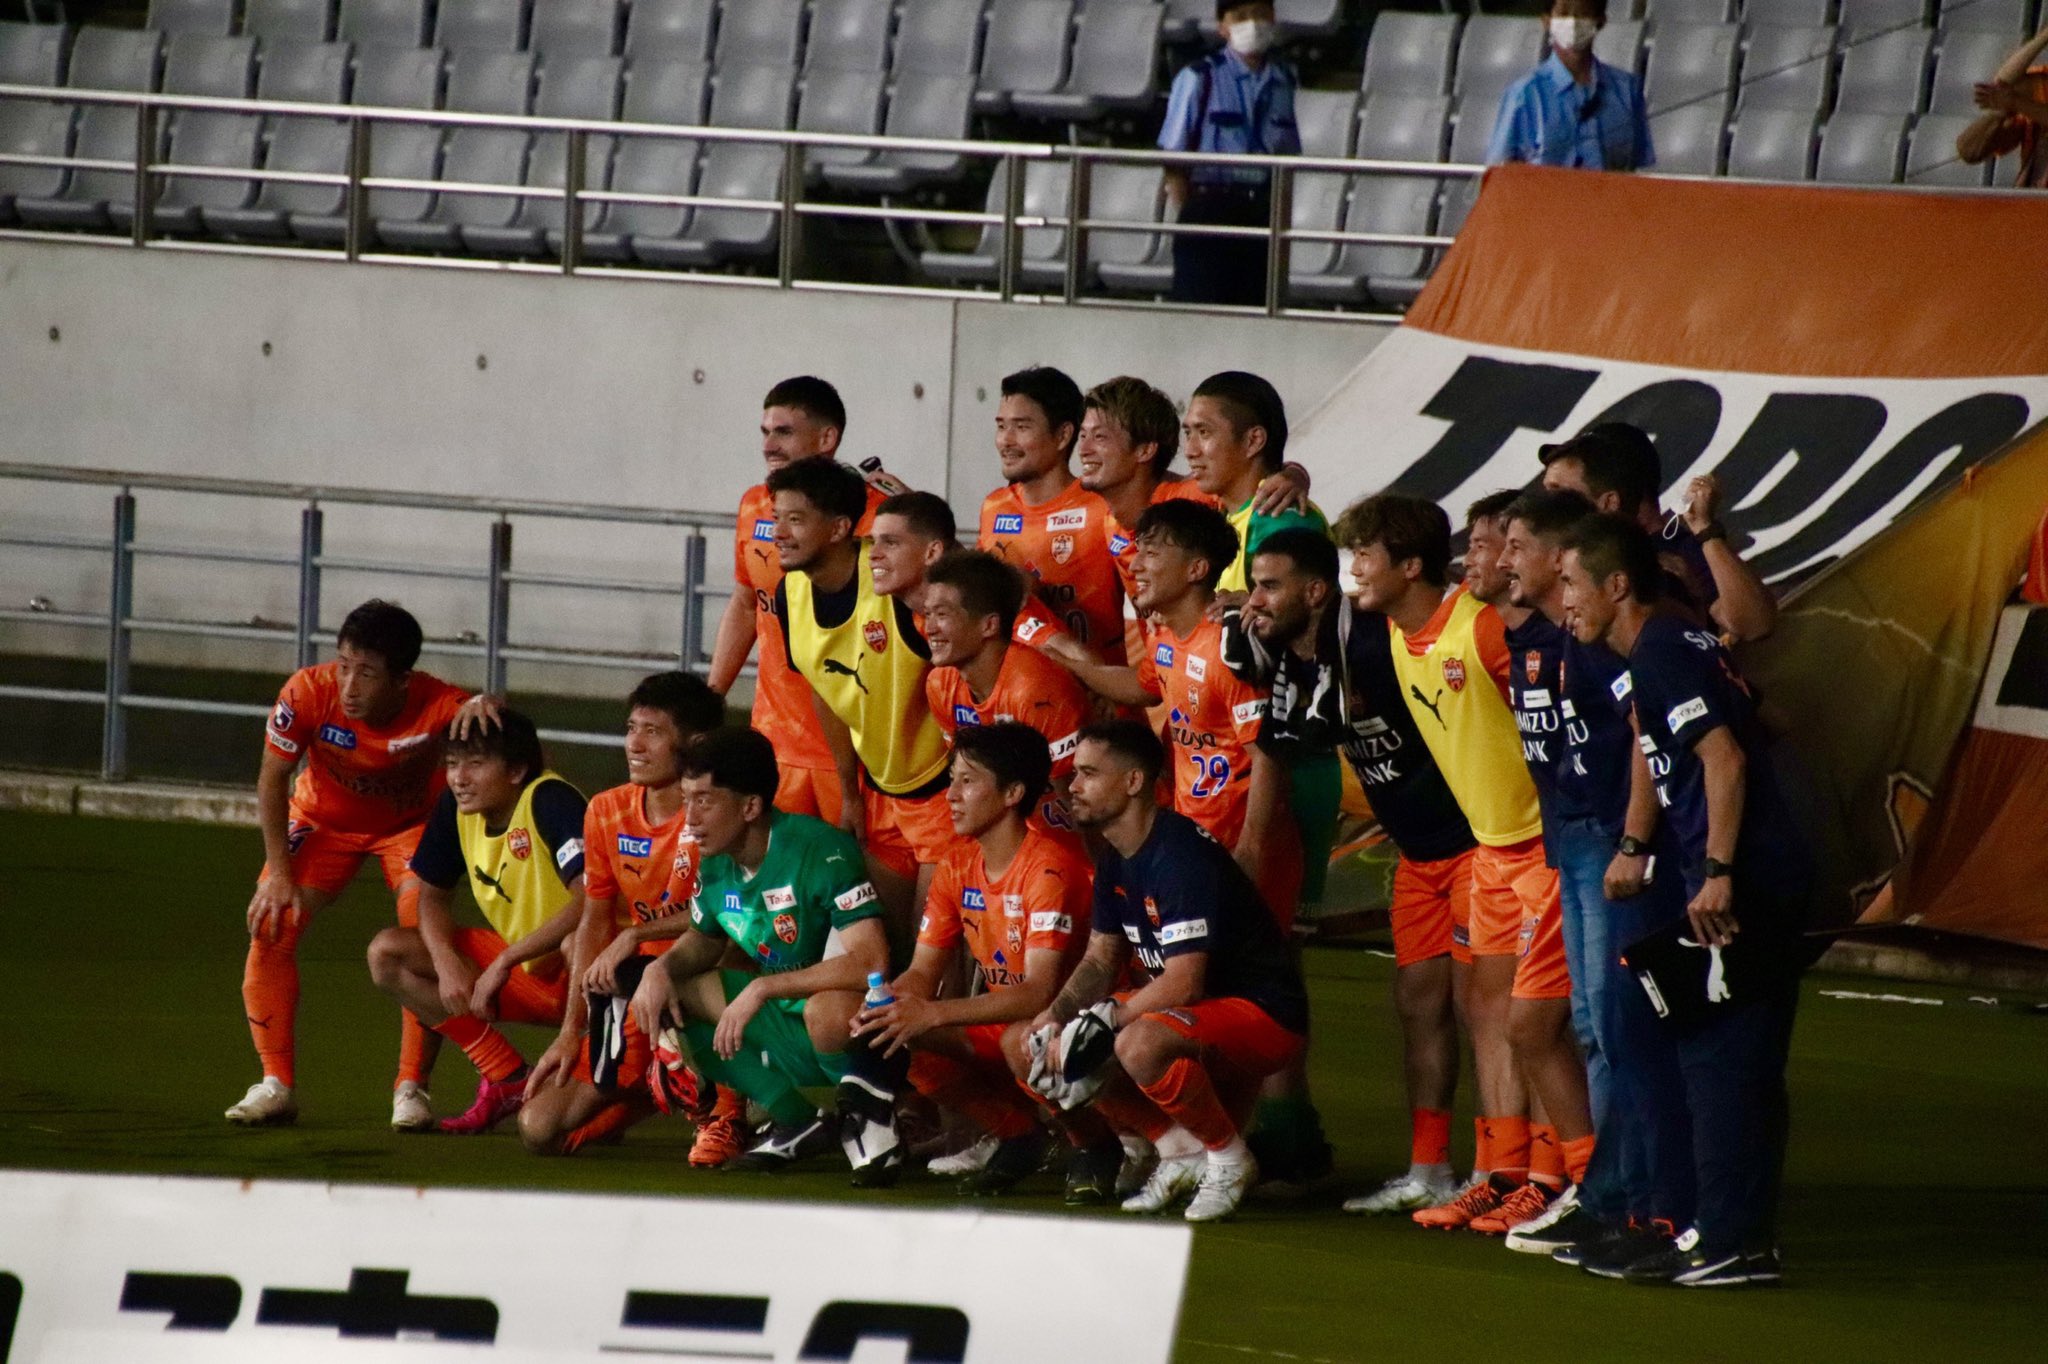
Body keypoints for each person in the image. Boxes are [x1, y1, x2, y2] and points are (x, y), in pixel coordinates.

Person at [1560, 515, 1811, 1288]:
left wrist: (1717, 869)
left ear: (1616, 585)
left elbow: (1724, 758)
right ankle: (1736, 1236)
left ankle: (1728, 1240)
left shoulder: (1661, 651)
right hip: (1766, 871)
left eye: (1571, 583)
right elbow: (1765, 723)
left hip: (1746, 880)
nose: (1565, 602)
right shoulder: (1679, 642)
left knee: (1720, 1062)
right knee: (1741, 1063)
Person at [1341, 495, 1592, 1237]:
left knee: (1534, 1021)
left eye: (1365, 556)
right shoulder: (1396, 634)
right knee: (1485, 1011)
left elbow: (1550, 722)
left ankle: (1561, 1179)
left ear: (1410, 565)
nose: (1355, 571)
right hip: (1489, 851)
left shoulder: (1479, 628)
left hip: (1540, 850)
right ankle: (1500, 1175)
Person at [1494, 491, 1697, 1259]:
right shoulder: (1557, 636)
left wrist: (1635, 840)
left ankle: (1633, 1202)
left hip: (1615, 843)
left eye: (1517, 545)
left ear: (1562, 559)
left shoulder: (1606, 641)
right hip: (1580, 837)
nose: (1505, 560)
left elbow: (1648, 733)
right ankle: (1615, 1193)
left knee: (1619, 1028)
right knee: (1596, 1026)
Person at [1026, 721, 1311, 1223]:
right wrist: (1056, 1015)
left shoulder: (1178, 856)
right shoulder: (1116, 856)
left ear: (1134, 781)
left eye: (1088, 773)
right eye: (1073, 774)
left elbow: (1184, 982)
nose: (1072, 786)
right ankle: (1179, 1151)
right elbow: (1100, 959)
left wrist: (1106, 1019)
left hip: (1263, 1016)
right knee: (1038, 1047)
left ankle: (1229, 1160)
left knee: (1133, 1042)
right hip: (1202, 1015)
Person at [230, 599, 472, 1129]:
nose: (348, 685)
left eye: (366, 672)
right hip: (321, 820)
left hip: (411, 827)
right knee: (271, 922)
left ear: (403, 679)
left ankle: (412, 1088)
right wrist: (279, 874)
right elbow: (272, 777)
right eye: (343, 665)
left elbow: (509, 745)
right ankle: (275, 1084)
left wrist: (491, 706)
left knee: (419, 940)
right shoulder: (306, 692)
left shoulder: (444, 704)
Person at [854, 723, 1110, 1199]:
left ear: (1013, 793)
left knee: (1020, 1041)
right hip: (1007, 1020)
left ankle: (1093, 1144)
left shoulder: (1049, 868)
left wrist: (933, 1012)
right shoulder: (956, 864)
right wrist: (887, 1003)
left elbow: (1039, 992)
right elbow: (923, 971)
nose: (951, 795)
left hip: (1070, 1024)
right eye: (951, 780)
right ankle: (1018, 1135)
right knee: (896, 1033)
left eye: (967, 781)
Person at [628, 727, 894, 1175]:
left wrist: (763, 988)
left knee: (825, 1012)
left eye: (704, 800)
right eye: (686, 799)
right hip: (786, 1018)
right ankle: (799, 1121)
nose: (689, 818)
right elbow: (703, 941)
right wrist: (658, 969)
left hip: (852, 1027)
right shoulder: (715, 862)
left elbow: (872, 962)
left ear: (750, 806)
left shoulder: (820, 850)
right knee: (678, 994)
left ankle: (871, 1110)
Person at [517, 671, 737, 1164]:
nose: (634, 744)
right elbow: (594, 920)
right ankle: (654, 1089)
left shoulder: (717, 811)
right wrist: (570, 1031)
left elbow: (726, 912)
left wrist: (637, 933)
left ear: (694, 743)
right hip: (632, 991)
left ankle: (730, 1107)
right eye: (632, 728)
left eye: (653, 732)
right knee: (538, 1128)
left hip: (703, 976)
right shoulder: (606, 810)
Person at [1041, 499, 1298, 913]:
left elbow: (1267, 756)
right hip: (1193, 838)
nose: (1136, 565)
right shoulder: (1164, 636)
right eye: (1137, 551)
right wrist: (1072, 667)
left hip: (1244, 847)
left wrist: (1251, 851)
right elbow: (1143, 686)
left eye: (1152, 553)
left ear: (1196, 569)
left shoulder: (1229, 646)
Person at [366, 710, 586, 1135]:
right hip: (527, 975)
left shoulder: (550, 799)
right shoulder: (456, 806)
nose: (459, 778)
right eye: (452, 764)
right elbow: (431, 896)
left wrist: (505, 960)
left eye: (476, 764)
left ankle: (630, 1078)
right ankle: (506, 1074)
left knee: (557, 1131)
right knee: (388, 954)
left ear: (516, 771)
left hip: (587, 977)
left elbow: (588, 900)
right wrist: (446, 960)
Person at [770, 457, 953, 932]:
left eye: (795, 519)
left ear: (839, 528)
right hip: (881, 794)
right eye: (776, 518)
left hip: (943, 793)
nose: (778, 533)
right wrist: (850, 794)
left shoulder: (895, 577)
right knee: (872, 946)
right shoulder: (789, 593)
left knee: (930, 953)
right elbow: (825, 689)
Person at [708, 376, 887, 827]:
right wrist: (712, 698)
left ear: (827, 438)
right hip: (775, 744)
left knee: (854, 870)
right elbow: (748, 602)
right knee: (772, 869)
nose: (768, 446)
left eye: (784, 432)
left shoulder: (882, 517)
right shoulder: (755, 505)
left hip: (861, 752)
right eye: (765, 432)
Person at [1077, 374, 1312, 610]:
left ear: (1145, 450)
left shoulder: (1194, 500)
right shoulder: (1105, 518)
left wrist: (1294, 474)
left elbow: (1254, 478)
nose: (1083, 449)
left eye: (1099, 437)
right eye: (1083, 435)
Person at [1539, 425, 1777, 642]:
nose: (1546, 506)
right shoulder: (1561, 559)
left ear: (1610, 499)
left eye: (1558, 493)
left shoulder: (1682, 552)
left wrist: (1707, 532)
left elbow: (1755, 625)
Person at [923, 549, 1091, 835]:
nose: (929, 628)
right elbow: (966, 777)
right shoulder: (940, 685)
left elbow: (1080, 803)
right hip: (1017, 838)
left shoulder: (1035, 688)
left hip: (1068, 841)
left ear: (989, 625)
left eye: (942, 615)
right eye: (927, 614)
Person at [978, 366, 1128, 666]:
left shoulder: (1102, 507)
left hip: (1095, 690)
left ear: (1062, 435)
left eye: (1021, 427)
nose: (1006, 440)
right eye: (1001, 426)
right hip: (1018, 691)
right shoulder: (994, 507)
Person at [1157, 2, 1301, 305]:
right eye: (1241, 17)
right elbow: (1173, 157)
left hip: (1261, 211)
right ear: (1223, 26)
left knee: (1257, 312)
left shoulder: (1284, 81)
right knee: (1202, 311)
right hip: (1209, 207)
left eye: (1260, 14)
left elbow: (1289, 159)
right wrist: (1192, 211)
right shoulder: (1199, 77)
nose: (1253, 24)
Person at [1182, 372, 1325, 593]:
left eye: (1204, 432)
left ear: (1253, 441)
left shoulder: (1279, 520)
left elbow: (1296, 610)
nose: (1190, 450)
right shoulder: (1222, 514)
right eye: (1188, 433)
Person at [1487, 0, 1653, 172]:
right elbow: (1500, 171)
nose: (1573, 22)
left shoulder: (1627, 89)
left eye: (1583, 13)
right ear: (1547, 20)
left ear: (1601, 20)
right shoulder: (1525, 94)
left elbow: (1637, 166)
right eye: (1563, 13)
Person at [1958, 20, 2048, 187]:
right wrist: (2042, 38)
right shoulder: (2041, 85)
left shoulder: (2024, 103)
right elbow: (1969, 151)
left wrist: (2015, 103)